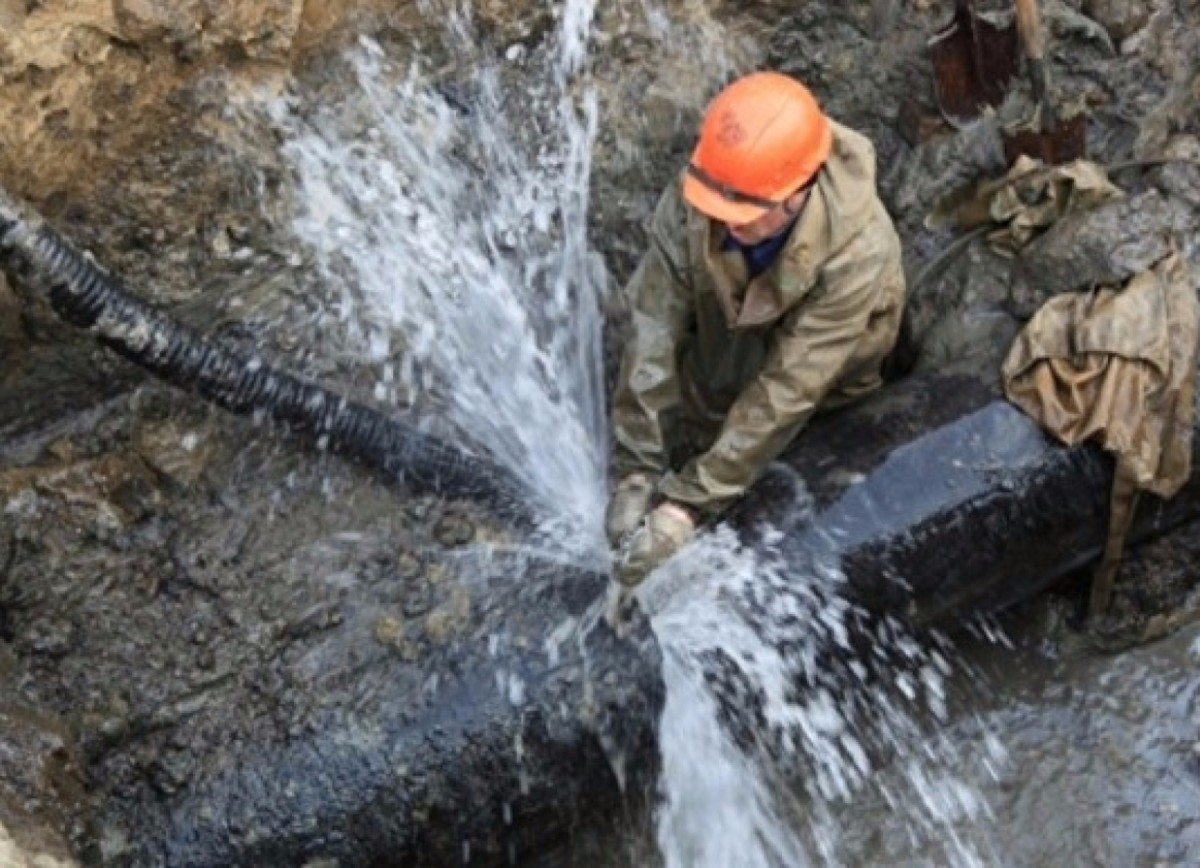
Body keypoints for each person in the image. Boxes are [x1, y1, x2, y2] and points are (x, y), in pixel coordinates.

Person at [606, 71, 907, 588]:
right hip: (725, 348)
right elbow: (653, 320)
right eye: (718, 210)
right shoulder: (712, 185)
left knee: (782, 482)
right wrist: (638, 466)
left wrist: (687, 507)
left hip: (826, 392)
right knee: (698, 415)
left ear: (798, 194)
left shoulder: (860, 252)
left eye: (744, 215)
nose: (725, 224)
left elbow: (790, 388)